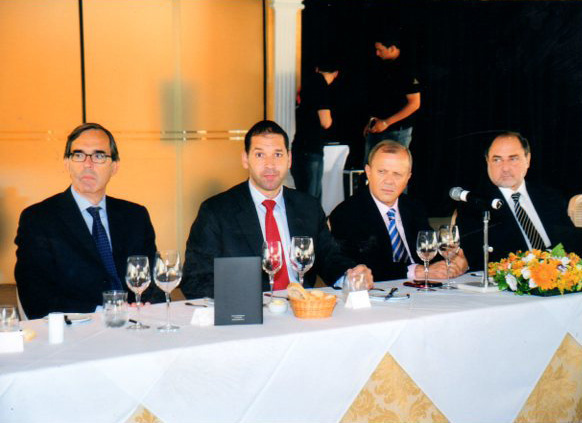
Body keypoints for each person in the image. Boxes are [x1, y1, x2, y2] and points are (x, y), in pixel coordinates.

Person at [181, 120, 372, 299]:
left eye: (278, 154)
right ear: (245, 159)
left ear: (289, 159)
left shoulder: (308, 207)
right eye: (260, 155)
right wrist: (246, 302)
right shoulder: (216, 211)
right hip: (248, 312)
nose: (270, 165)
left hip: (303, 309)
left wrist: (350, 275)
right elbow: (195, 279)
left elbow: (329, 257)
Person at [14, 123, 162, 319]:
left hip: (137, 322)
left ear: (114, 166)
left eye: (99, 156)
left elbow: (154, 281)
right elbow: (36, 298)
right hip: (76, 328)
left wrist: (143, 307)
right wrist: (105, 312)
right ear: (67, 163)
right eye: (78, 155)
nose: (87, 164)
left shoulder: (135, 215)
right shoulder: (38, 219)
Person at [330, 140, 467, 282]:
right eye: (382, 172)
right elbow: (359, 267)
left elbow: (430, 251)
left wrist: (455, 263)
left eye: (397, 174)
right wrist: (415, 271)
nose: (389, 181)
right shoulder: (347, 213)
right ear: (368, 172)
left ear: (408, 177)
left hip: (423, 288)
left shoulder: (413, 207)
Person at [456, 132, 582, 269]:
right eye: (497, 160)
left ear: (527, 159)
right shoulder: (476, 205)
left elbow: (571, 244)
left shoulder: (550, 196)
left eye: (513, 159)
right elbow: (476, 259)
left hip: (560, 274)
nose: (505, 168)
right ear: (487, 162)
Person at [363, 32, 421, 163]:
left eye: (380, 50)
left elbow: (414, 104)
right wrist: (371, 121)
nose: (377, 53)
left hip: (397, 131)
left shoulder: (407, 69)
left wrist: (386, 122)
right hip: (377, 128)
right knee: (371, 165)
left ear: (392, 48)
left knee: (393, 166)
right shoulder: (381, 66)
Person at [291, 60, 340, 200]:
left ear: (317, 68)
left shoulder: (308, 83)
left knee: (305, 195)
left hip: (301, 146)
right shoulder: (320, 85)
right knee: (312, 198)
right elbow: (326, 122)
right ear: (336, 73)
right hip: (311, 148)